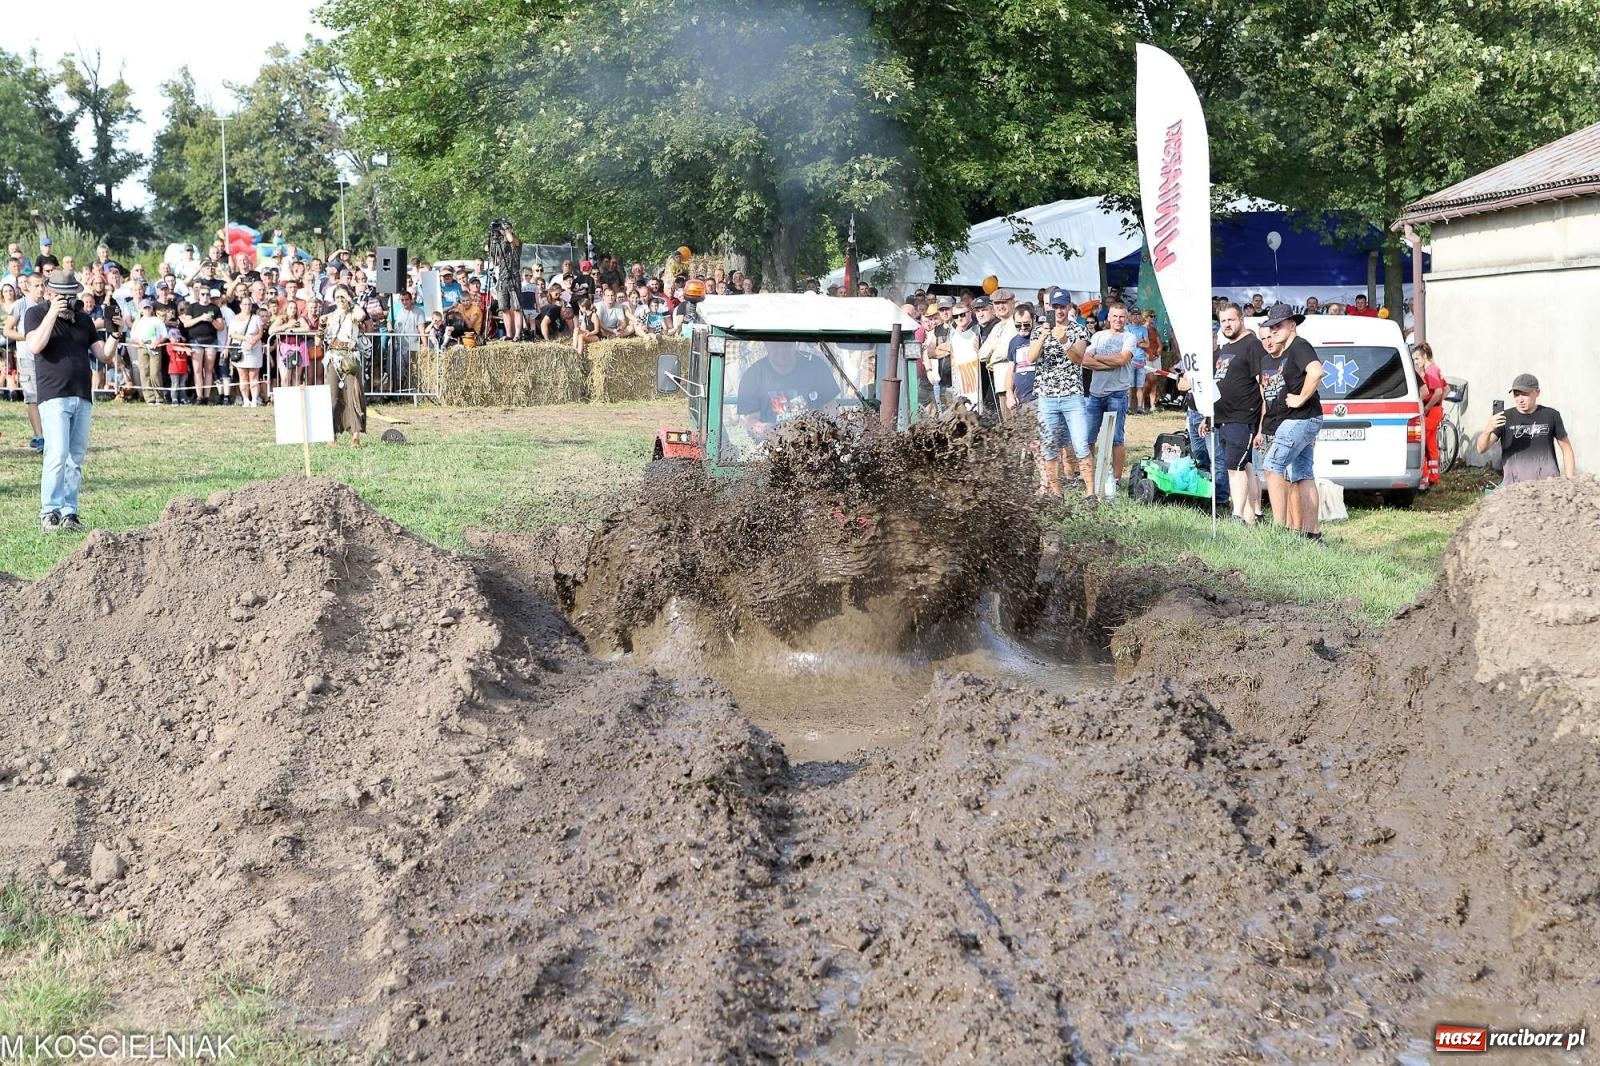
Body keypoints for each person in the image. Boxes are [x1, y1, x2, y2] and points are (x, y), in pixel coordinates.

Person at [23, 271, 102, 533]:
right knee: (56, 454)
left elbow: (104, 354)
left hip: (82, 394)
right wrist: (52, 313)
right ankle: (49, 512)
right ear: (48, 292)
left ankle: (70, 513)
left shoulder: (83, 319)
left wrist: (115, 333)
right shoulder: (35, 314)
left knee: (74, 459)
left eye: (70, 295)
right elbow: (35, 345)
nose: (66, 300)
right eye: (61, 295)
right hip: (54, 395)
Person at [1258, 302, 1324, 537]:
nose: (1274, 330)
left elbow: (1316, 371)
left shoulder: (1299, 345)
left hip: (1301, 417)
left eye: (1278, 325)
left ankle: (1280, 531)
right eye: (1271, 326)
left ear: (1292, 324)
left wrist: (1301, 398)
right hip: (1306, 418)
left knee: (1272, 466)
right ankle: (1311, 534)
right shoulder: (1288, 350)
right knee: (1303, 473)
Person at [1198, 303, 1266, 523]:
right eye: (1223, 321)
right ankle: (1251, 517)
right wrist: (1208, 417)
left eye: (1231, 320)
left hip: (1242, 417)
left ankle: (1236, 514)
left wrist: (1261, 426)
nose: (1227, 325)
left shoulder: (1252, 345)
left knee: (1233, 467)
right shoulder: (1226, 348)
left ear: (1241, 320)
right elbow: (1219, 385)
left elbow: (1263, 386)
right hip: (1222, 418)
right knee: (1245, 467)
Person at [1031, 290, 1091, 497]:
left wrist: (1064, 339)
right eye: (1055, 307)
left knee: (1081, 443)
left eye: (1062, 306)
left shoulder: (1079, 330)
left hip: (1072, 395)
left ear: (1069, 307)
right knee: (1049, 447)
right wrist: (1044, 336)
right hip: (1047, 396)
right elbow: (1031, 358)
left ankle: (1091, 493)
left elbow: (1079, 358)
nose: (1058, 311)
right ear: (1049, 308)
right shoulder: (1039, 331)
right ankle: (1056, 493)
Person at [1475, 373, 1576, 486]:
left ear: (1537, 392)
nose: (1520, 400)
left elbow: (1566, 448)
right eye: (1516, 395)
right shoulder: (1504, 417)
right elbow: (1481, 449)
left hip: (1548, 487)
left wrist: (1570, 482)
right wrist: (1488, 429)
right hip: (1514, 488)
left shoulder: (1551, 415)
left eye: (1525, 394)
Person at [1081, 303, 1138, 495]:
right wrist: (1109, 363)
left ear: (1126, 318)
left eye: (1122, 317)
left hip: (1117, 393)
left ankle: (1116, 478)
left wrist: (1099, 358)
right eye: (1114, 316)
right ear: (1108, 318)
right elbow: (1085, 360)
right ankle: (1088, 476)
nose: (1118, 320)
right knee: (1089, 437)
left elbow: (1122, 360)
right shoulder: (1098, 336)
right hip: (1095, 394)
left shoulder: (1129, 337)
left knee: (1116, 438)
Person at [734, 341, 840, 436]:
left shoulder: (815, 366)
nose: (781, 350)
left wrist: (833, 429)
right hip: (772, 443)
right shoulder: (753, 375)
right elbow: (752, 420)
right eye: (775, 346)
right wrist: (764, 429)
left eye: (786, 344)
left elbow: (830, 406)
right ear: (766, 344)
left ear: (795, 344)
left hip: (814, 439)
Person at [5, 272, 47, 450]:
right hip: (27, 357)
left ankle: (49, 434)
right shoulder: (20, 305)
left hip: (46, 358)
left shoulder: (47, 306)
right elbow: (7, 330)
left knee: (47, 398)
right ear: (27, 286)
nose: (41, 289)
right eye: (36, 285)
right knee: (32, 397)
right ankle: (39, 437)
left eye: (43, 285)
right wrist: (28, 337)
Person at [320, 286, 367, 446]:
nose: (340, 300)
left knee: (353, 394)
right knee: (333, 396)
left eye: (343, 297)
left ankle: (355, 434)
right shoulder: (331, 316)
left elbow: (362, 315)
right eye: (338, 297)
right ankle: (331, 434)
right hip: (333, 356)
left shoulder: (353, 313)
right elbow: (320, 338)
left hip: (349, 356)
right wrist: (321, 326)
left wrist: (350, 300)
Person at [1413, 342, 1446, 491]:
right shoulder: (1436, 369)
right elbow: (1447, 388)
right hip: (1436, 410)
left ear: (1425, 356)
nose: (1416, 362)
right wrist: (1439, 404)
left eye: (1417, 359)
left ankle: (1425, 477)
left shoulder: (1430, 371)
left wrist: (1428, 406)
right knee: (1431, 445)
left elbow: (1438, 391)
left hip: (1431, 411)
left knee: (1422, 443)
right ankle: (1434, 476)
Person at [129, 299, 167, 404]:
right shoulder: (138, 322)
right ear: (141, 310)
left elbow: (164, 335)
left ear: (152, 309)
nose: (147, 310)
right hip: (142, 347)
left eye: (148, 307)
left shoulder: (157, 320)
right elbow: (133, 335)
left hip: (155, 347)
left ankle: (159, 396)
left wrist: (158, 341)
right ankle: (149, 397)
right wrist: (138, 341)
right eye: (144, 308)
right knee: (144, 372)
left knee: (155, 372)